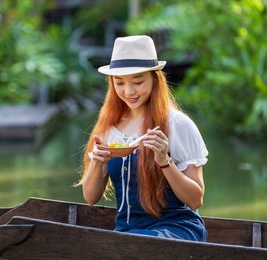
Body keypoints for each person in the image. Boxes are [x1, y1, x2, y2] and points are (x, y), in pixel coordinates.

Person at [77, 35, 208, 241]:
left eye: (138, 82)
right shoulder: (109, 127)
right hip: (127, 235)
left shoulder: (176, 124)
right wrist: (98, 162)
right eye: (119, 83)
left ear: (155, 79)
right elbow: (90, 197)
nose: (129, 92)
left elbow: (195, 200)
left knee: (136, 246)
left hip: (176, 229)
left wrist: (165, 161)